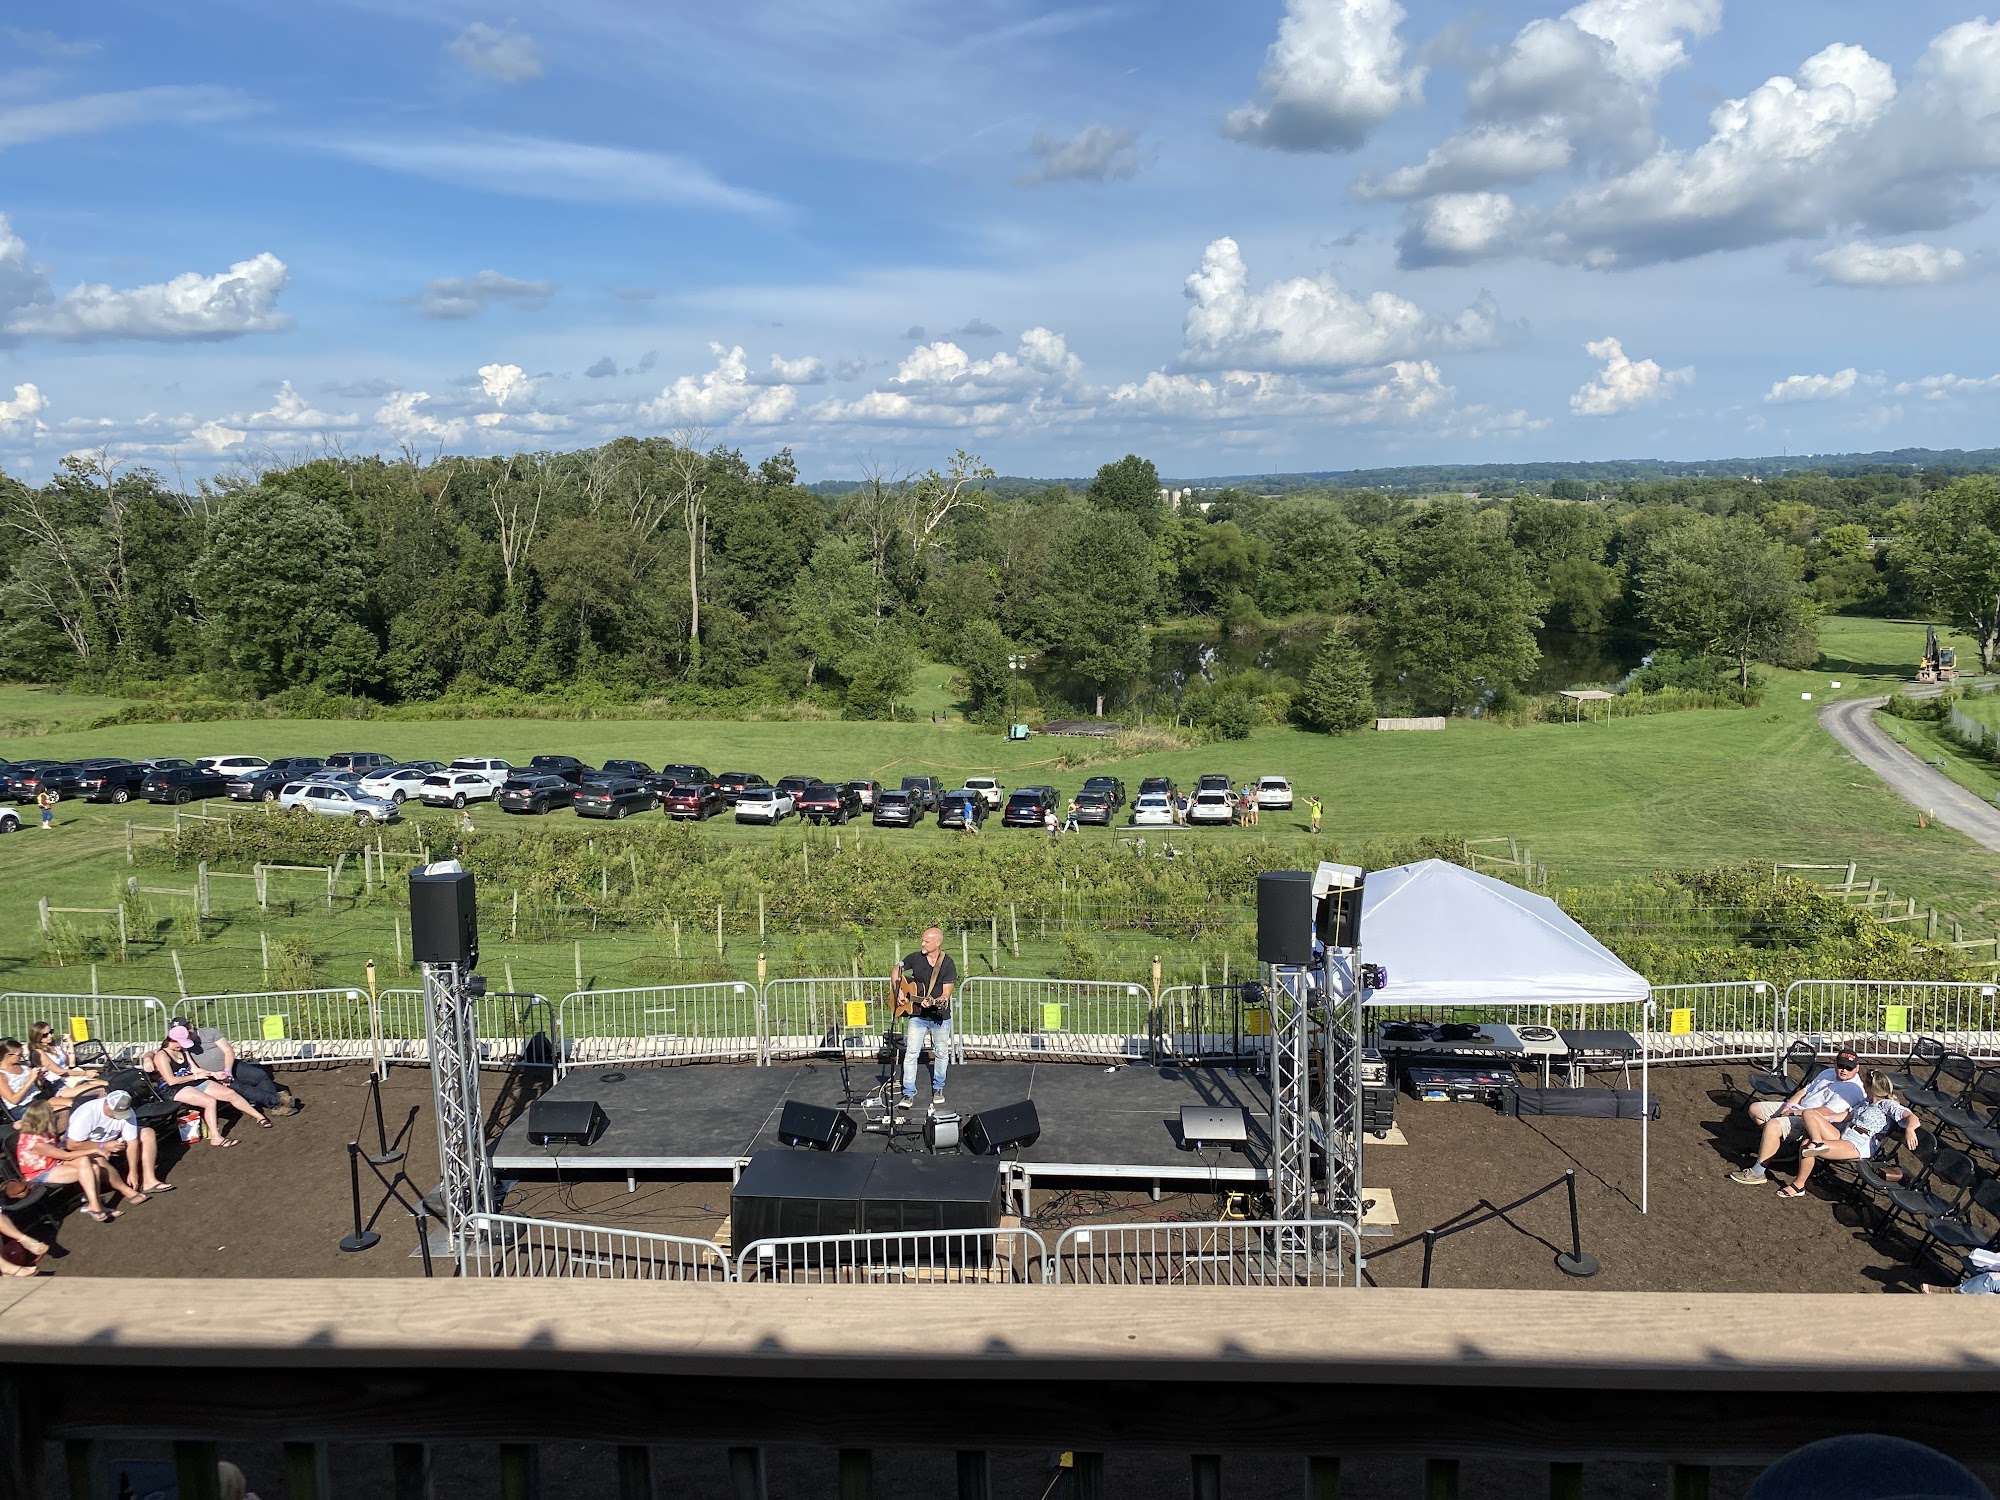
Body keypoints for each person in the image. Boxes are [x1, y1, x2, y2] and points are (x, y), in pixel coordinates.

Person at [1730, 1047, 1868, 1185]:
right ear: (1835, 1063)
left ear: (1857, 1068)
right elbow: (1804, 1091)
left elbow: (1825, 1112)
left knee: (1773, 1125)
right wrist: (1788, 1107)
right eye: (1841, 1066)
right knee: (1755, 1109)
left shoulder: (1852, 1089)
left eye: (1849, 1068)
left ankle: (1758, 1172)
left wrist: (1793, 1113)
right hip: (1798, 1108)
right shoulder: (1828, 1072)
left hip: (1812, 1122)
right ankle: (1779, 1148)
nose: (1844, 1070)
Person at [1780, 1070, 1919, 1199]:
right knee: (1809, 1113)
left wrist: (1910, 1130)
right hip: (1845, 1135)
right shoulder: (1866, 1102)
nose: (1863, 1087)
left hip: (1859, 1144)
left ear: (1871, 1087)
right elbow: (1845, 1116)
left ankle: (1799, 1185)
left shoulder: (1887, 1105)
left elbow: (1912, 1117)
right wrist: (1822, 1119)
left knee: (1807, 1145)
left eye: (1865, 1085)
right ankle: (1817, 1141)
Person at [13, 1100, 137, 1221]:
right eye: (51, 1112)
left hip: (54, 1162)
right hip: (40, 1172)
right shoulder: (34, 1142)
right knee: (91, 1169)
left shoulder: (42, 1130)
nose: (54, 1114)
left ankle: (94, 1204)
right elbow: (65, 1156)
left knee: (88, 1163)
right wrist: (97, 1149)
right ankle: (96, 1205)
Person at [151, 1030, 272, 1146]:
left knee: (230, 1093)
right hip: (173, 1088)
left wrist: (213, 1074)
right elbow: (171, 1080)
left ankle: (259, 1117)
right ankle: (216, 1138)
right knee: (209, 1101)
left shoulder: (183, 1050)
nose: (182, 1046)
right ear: (172, 1040)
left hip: (190, 1080)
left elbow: (194, 1069)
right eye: (181, 1043)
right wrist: (196, 1076)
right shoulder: (162, 1056)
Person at [893, 926, 956, 1114]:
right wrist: (898, 990)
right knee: (911, 1053)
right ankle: (908, 1093)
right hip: (917, 1015)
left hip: (939, 1017)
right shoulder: (915, 958)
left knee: (941, 1053)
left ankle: (938, 1088)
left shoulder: (947, 964)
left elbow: (945, 995)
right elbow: (896, 969)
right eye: (922, 940)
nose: (922, 944)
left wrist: (936, 1001)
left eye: (926, 941)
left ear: (937, 943)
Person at [173, 1020, 296, 1116]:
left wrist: (228, 1070)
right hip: (213, 1075)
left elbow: (228, 1050)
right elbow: (171, 1054)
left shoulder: (209, 1033)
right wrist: (214, 1075)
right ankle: (277, 1101)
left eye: (187, 1029)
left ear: (191, 1026)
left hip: (229, 1065)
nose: (187, 1033)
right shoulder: (180, 1043)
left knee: (259, 1075)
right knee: (240, 1087)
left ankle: (276, 1104)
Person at [67, 1089, 171, 1195]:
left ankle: (149, 1180)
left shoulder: (127, 1111)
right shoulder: (87, 1114)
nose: (119, 1116)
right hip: (91, 1146)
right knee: (98, 1159)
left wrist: (133, 1171)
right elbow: (72, 1145)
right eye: (116, 1112)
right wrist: (103, 1146)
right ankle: (126, 1191)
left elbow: (132, 1142)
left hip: (116, 1141)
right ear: (107, 1104)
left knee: (147, 1133)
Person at [27, 1021, 105, 1116]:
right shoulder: (38, 1052)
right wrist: (85, 1073)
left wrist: (70, 1044)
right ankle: (99, 1116)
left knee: (106, 1084)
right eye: (45, 1035)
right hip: (58, 1085)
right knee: (101, 1090)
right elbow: (59, 1072)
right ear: (37, 1037)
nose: (50, 1036)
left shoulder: (55, 1046)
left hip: (70, 1078)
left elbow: (71, 1064)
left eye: (51, 1032)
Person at [0, 1040, 42, 1124]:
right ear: (8, 1056)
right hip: (23, 1107)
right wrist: (30, 1080)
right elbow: (13, 1100)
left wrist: (39, 1078)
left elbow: (39, 1087)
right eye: (19, 1055)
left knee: (69, 1104)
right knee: (59, 1111)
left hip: (38, 1099)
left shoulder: (23, 1067)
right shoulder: (2, 1074)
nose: (22, 1057)